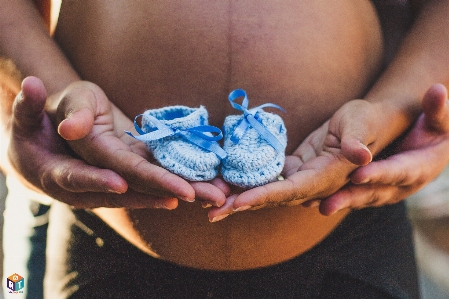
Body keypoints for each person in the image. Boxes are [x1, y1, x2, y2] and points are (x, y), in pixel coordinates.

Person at [1, 0, 449, 298]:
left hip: (351, 215)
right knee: (18, 285)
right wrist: (34, 101)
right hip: (89, 212)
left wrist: (401, 104)